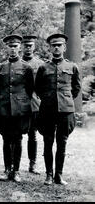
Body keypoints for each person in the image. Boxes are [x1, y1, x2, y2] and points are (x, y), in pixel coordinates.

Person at [35, 33, 81, 185]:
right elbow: (38, 88)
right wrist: (49, 99)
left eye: (59, 45)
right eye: (53, 45)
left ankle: (58, 175)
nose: (56, 47)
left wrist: (65, 100)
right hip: (47, 110)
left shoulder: (72, 66)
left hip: (66, 110)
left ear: (64, 47)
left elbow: (76, 88)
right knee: (48, 142)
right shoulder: (43, 67)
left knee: (62, 142)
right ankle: (48, 174)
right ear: (49, 48)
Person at [0, 34, 34, 183]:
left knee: (18, 140)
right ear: (7, 48)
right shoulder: (0, 67)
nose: (13, 49)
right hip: (4, 109)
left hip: (20, 110)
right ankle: (7, 170)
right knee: (6, 140)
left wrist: (22, 103)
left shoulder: (26, 67)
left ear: (20, 47)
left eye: (15, 46)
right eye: (10, 46)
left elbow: (30, 89)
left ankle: (16, 170)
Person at [21, 35, 45, 174]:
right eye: (25, 45)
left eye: (30, 45)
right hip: (18, 104)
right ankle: (13, 163)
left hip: (34, 104)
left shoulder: (40, 64)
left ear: (34, 47)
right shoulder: (15, 63)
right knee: (15, 135)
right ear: (21, 47)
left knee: (33, 135)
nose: (28, 48)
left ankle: (32, 164)